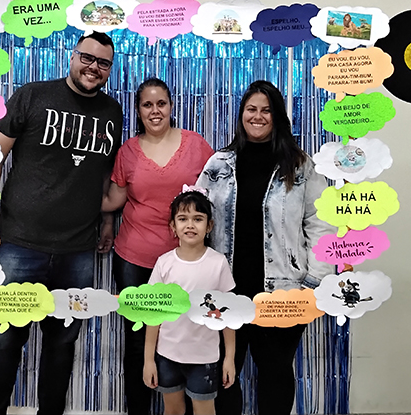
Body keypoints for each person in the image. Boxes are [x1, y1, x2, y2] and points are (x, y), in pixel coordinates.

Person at [0, 31, 123, 415]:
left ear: (109, 69)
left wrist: (108, 220)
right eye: (87, 57)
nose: (93, 67)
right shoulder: (32, 96)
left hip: (78, 251)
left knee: (62, 344)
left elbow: (104, 172)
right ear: (72, 57)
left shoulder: (112, 112)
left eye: (103, 63)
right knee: (4, 341)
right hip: (18, 245)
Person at [195, 80, 334, 415]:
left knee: (275, 372)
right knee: (225, 373)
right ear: (241, 114)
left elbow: (322, 225)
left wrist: (312, 284)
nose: (257, 116)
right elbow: (197, 220)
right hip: (227, 291)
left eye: (266, 111)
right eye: (251, 109)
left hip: (283, 292)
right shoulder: (218, 164)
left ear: (278, 117)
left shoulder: (300, 166)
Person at [101, 78, 214, 414]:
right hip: (135, 260)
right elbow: (114, 200)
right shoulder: (127, 152)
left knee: (189, 336)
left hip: (187, 263)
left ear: (171, 106)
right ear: (138, 110)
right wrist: (69, 192)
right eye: (147, 105)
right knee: (139, 342)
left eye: (161, 103)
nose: (155, 111)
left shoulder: (196, 145)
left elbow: (216, 196)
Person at [142, 188, 236, 415]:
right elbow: (154, 315)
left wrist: (229, 358)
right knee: (173, 410)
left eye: (198, 219)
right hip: (167, 356)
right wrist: (149, 360)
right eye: (183, 219)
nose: (190, 225)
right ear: (173, 226)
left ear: (209, 226)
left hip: (205, 358)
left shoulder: (218, 263)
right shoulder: (164, 263)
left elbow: (228, 316)